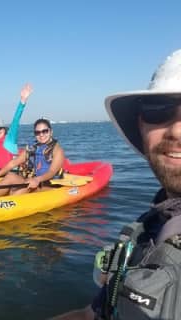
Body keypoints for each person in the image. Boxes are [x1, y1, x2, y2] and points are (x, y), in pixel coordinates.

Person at [51, 49, 181, 320]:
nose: (177, 130)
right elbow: (91, 316)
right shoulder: (149, 227)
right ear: (141, 124)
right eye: (159, 111)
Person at [0, 118, 64, 197]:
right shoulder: (32, 147)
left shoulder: (57, 150)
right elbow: (13, 163)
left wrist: (37, 180)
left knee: (27, 185)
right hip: (33, 181)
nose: (41, 135)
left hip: (48, 185)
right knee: (11, 176)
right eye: (37, 132)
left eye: (45, 131)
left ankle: (4, 204)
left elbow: (51, 172)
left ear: (51, 132)